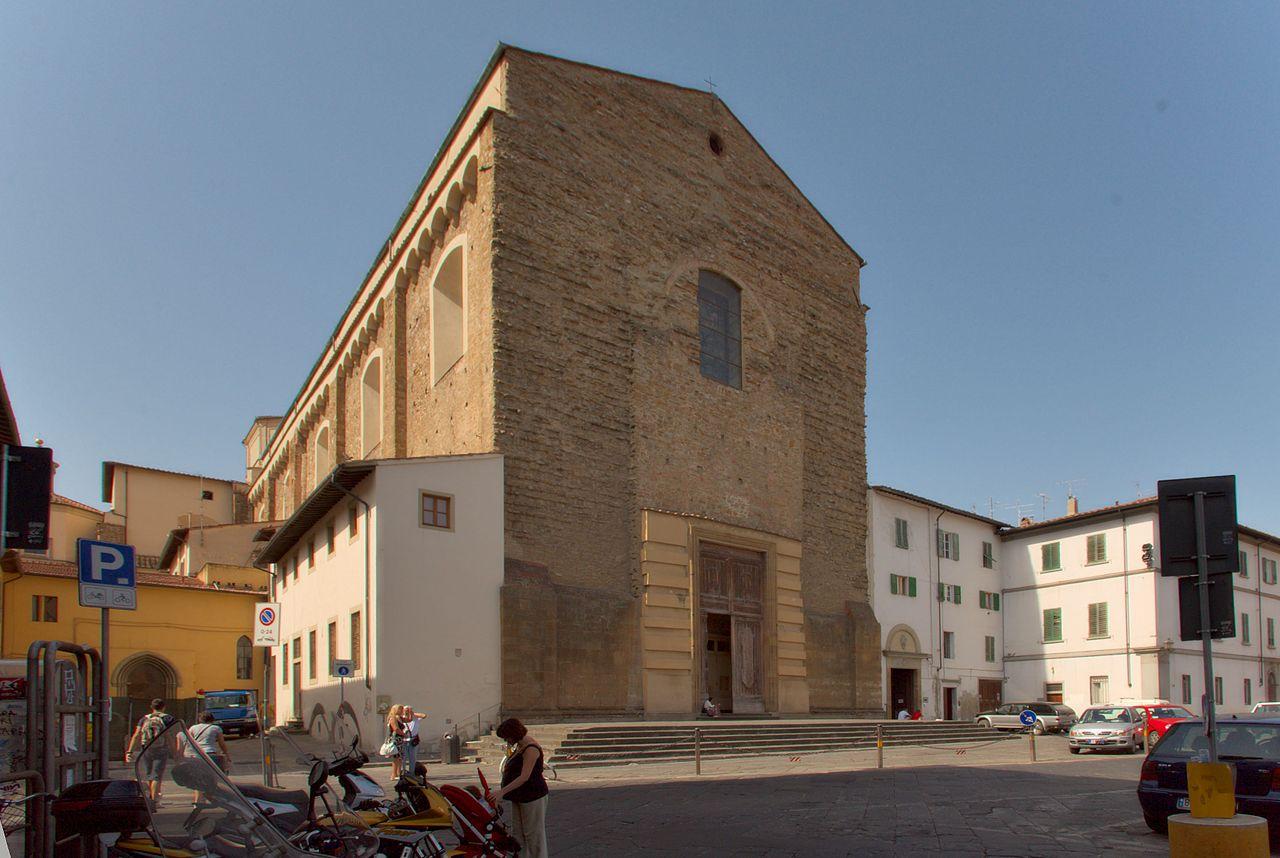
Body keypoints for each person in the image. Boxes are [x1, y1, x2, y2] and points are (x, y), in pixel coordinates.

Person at [491, 718, 548, 858]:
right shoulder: (520, 745)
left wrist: (502, 792)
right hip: (519, 796)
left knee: (533, 834)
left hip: (532, 795)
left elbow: (524, 777)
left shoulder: (530, 748)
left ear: (514, 734)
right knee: (518, 833)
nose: (506, 740)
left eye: (507, 737)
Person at [125, 699, 177, 805]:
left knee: (150, 774)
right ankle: (154, 800)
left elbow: (136, 734)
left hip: (146, 748)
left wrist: (129, 751)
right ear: (164, 707)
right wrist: (175, 751)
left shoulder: (144, 718)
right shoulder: (168, 718)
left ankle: (151, 797)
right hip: (161, 748)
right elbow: (169, 736)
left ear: (151, 707)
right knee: (157, 775)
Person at [180, 712, 230, 805]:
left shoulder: (193, 728)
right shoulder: (216, 728)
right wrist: (226, 754)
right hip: (211, 754)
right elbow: (221, 743)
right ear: (212, 719)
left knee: (199, 778)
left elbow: (189, 741)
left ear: (200, 719)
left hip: (197, 754)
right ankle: (215, 798)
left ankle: (198, 801)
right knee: (214, 777)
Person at [385, 705, 407, 779]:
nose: (402, 711)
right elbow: (396, 729)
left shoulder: (399, 718)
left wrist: (409, 712)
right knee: (396, 757)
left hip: (400, 739)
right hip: (395, 739)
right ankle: (394, 775)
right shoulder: (393, 718)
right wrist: (404, 734)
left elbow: (409, 719)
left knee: (400, 757)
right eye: (400, 709)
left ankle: (398, 773)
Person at [401, 706, 422, 775]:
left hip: (413, 740)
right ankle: (403, 772)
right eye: (406, 710)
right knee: (403, 757)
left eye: (408, 710)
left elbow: (424, 715)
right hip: (403, 740)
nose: (407, 711)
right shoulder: (401, 718)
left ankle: (411, 773)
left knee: (412, 758)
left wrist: (412, 713)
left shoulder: (415, 718)